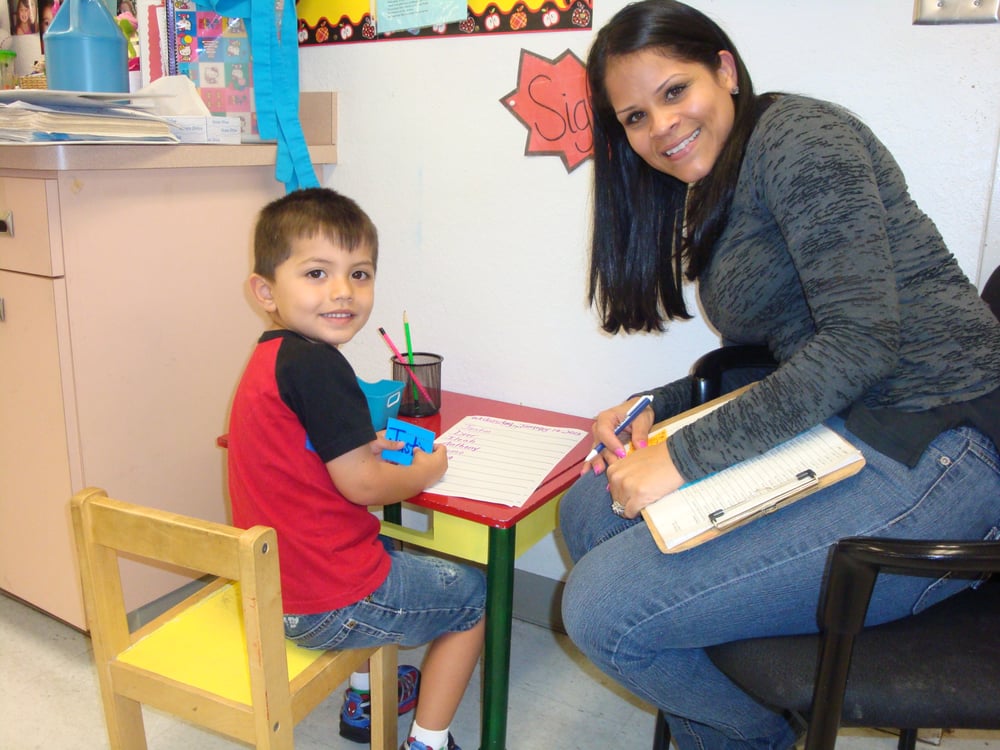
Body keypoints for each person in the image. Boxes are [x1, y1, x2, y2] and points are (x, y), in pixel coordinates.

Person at [558, 1, 1000, 748]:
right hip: (856, 423)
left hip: (941, 446)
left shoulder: (801, 138)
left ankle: (759, 735)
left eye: (674, 92)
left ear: (724, 70)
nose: (659, 127)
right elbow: (781, 349)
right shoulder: (719, 177)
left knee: (602, 613)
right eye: (634, 116)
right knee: (589, 513)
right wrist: (654, 409)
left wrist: (682, 457)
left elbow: (860, 343)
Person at [227, 188, 485, 750]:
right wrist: (428, 470)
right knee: (473, 598)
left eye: (360, 274)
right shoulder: (320, 367)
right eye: (317, 273)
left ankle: (368, 702)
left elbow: (308, 447)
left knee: (387, 550)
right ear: (265, 291)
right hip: (326, 600)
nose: (343, 291)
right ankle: (429, 742)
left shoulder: (273, 356)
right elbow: (363, 484)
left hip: (274, 589)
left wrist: (363, 440)